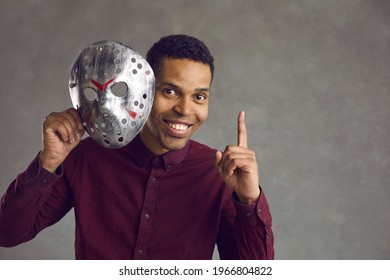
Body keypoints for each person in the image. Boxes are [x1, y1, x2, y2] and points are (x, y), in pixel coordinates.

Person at [0, 34, 274, 260]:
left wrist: (249, 200)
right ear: (143, 89)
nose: (185, 109)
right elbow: (7, 233)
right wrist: (48, 163)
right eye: (170, 91)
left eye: (199, 96)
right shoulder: (86, 157)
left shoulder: (220, 175)